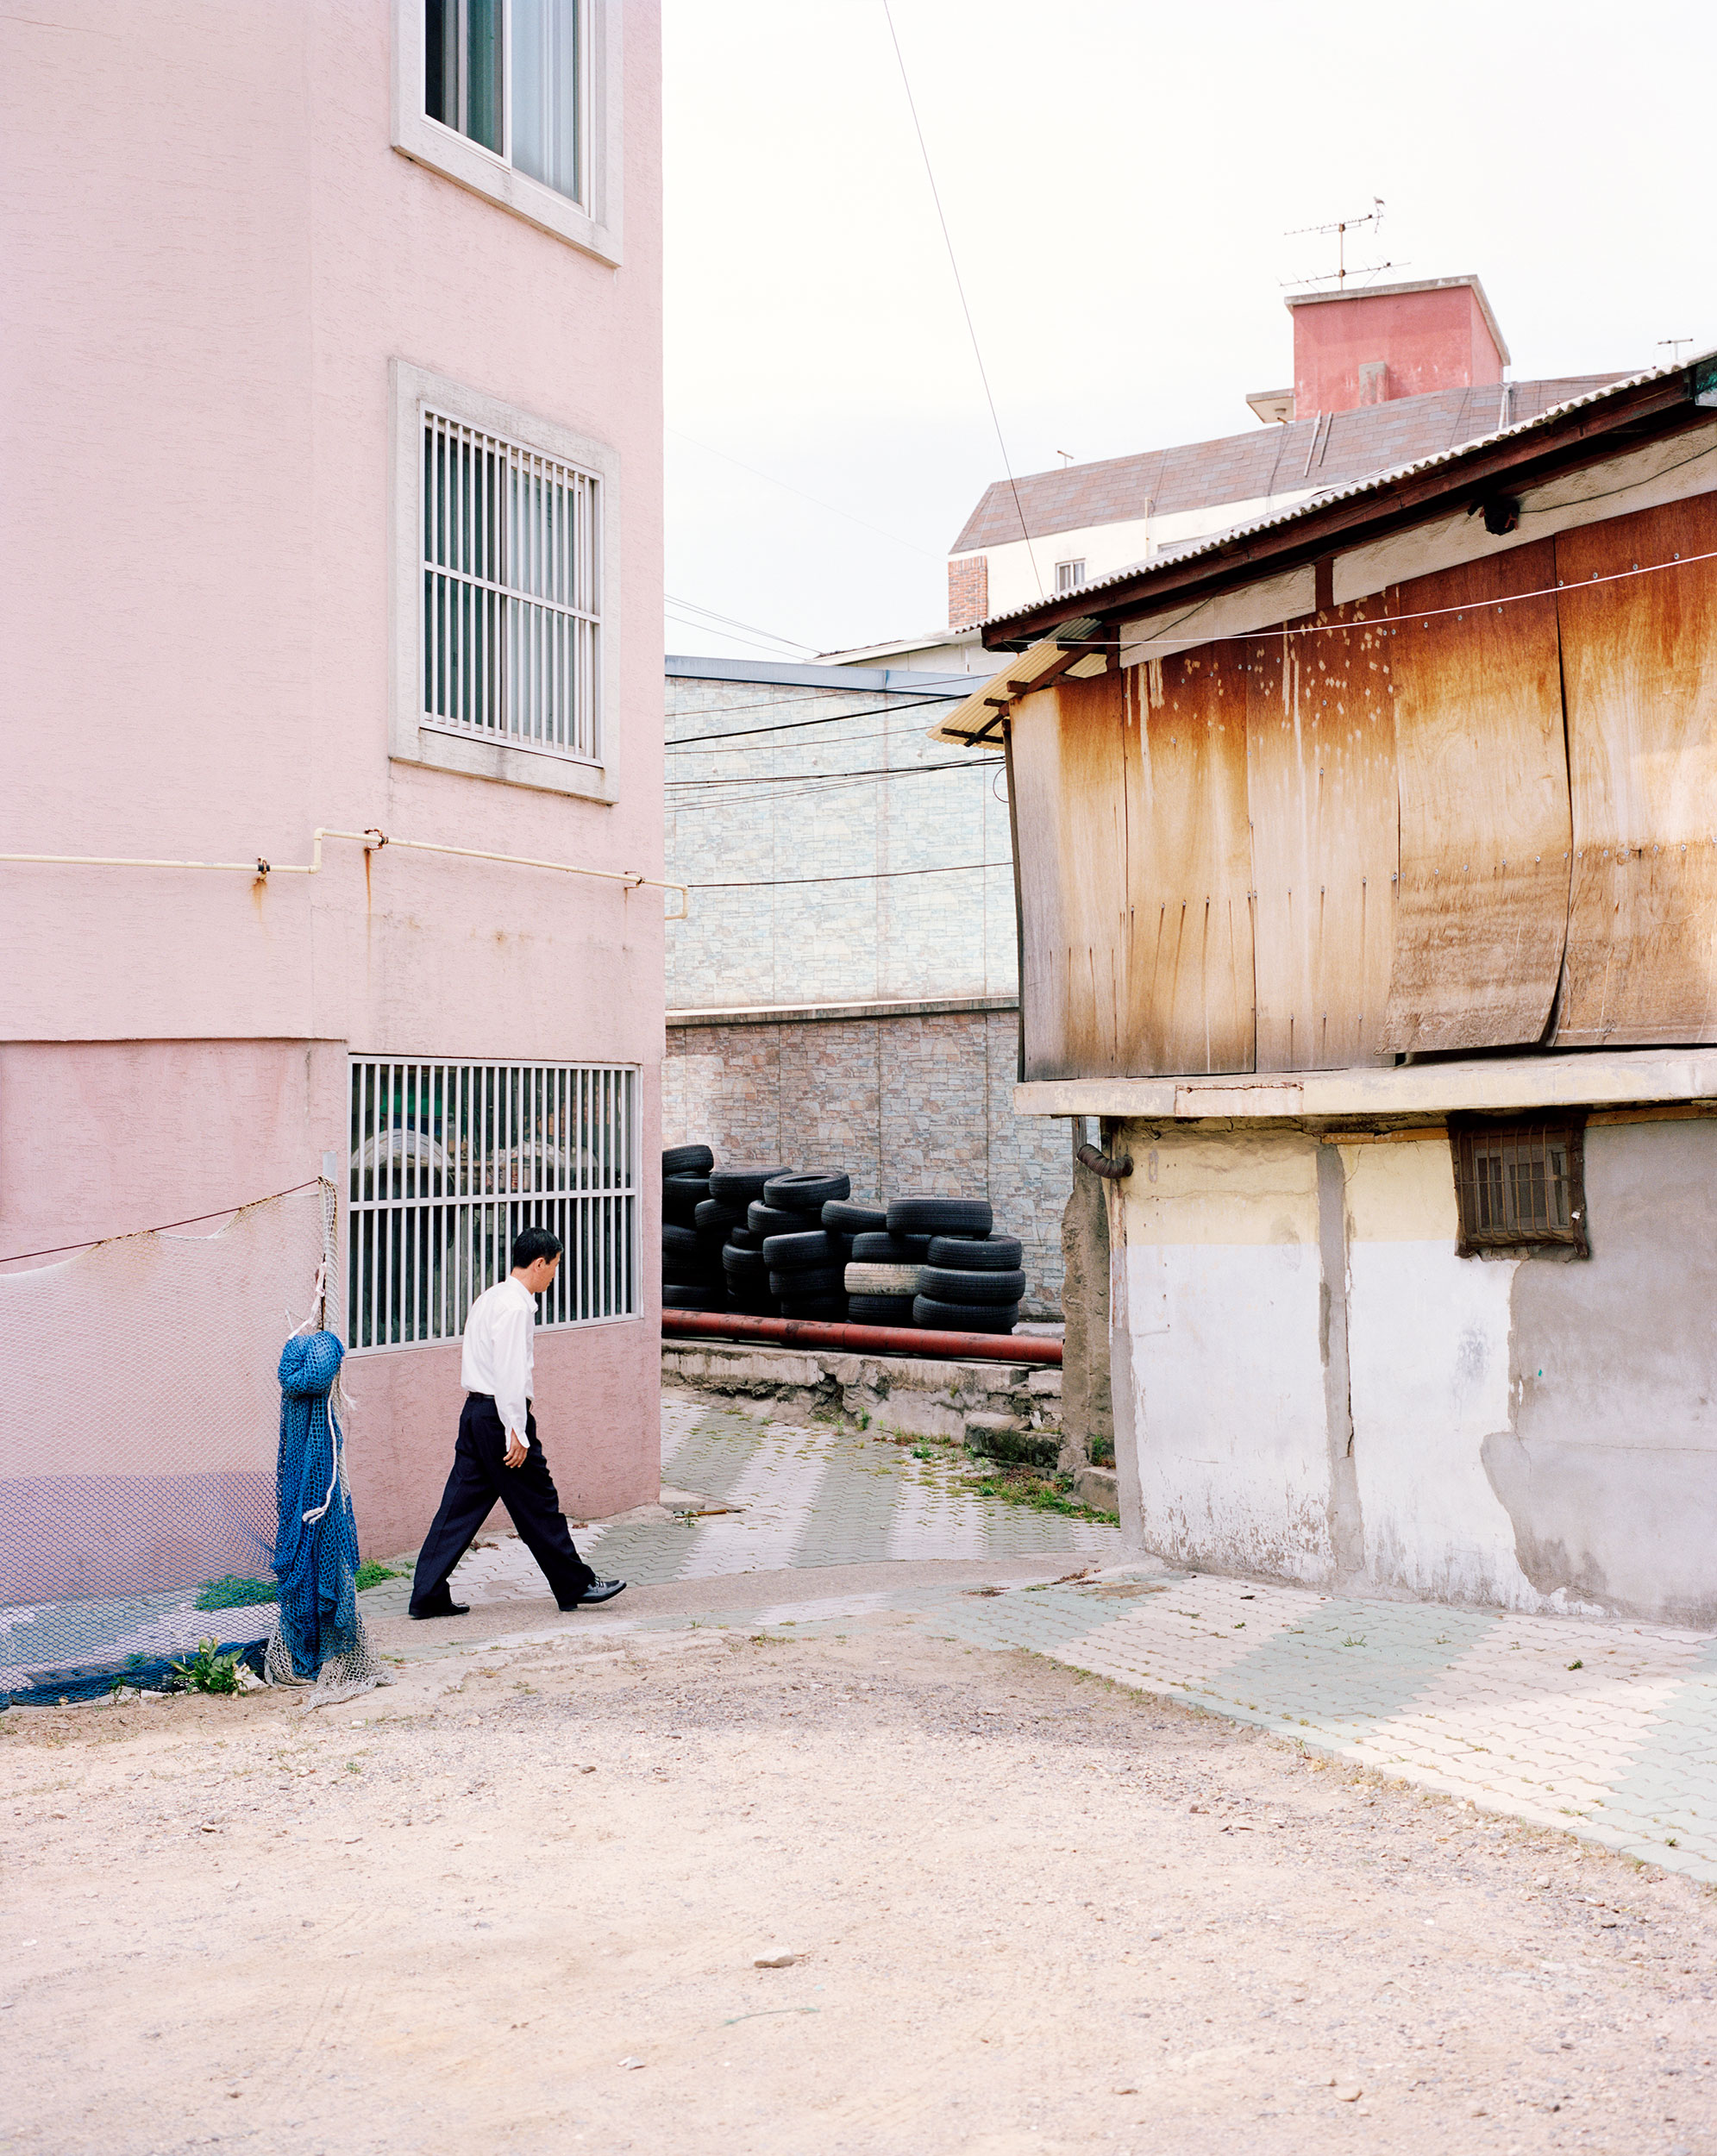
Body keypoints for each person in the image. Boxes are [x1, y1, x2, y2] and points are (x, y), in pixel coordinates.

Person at [409, 1225, 625, 1619]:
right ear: (539, 1263)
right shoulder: (516, 1307)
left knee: (458, 1508)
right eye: (555, 1266)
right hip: (500, 1417)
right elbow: (509, 1372)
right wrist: (517, 1430)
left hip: (475, 1414)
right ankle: (576, 1585)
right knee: (538, 1503)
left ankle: (426, 1593)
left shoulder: (490, 1297)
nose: (555, 1275)